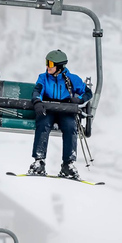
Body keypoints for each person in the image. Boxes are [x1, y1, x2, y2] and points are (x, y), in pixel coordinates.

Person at [28, 49, 93, 180]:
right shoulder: (43, 77)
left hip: (65, 109)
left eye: (50, 64)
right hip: (48, 107)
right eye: (47, 63)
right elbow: (37, 90)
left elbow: (88, 93)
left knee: (70, 126)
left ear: (59, 66)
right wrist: (37, 102)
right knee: (43, 123)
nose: (47, 66)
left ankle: (68, 164)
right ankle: (39, 161)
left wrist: (79, 100)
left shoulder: (72, 79)